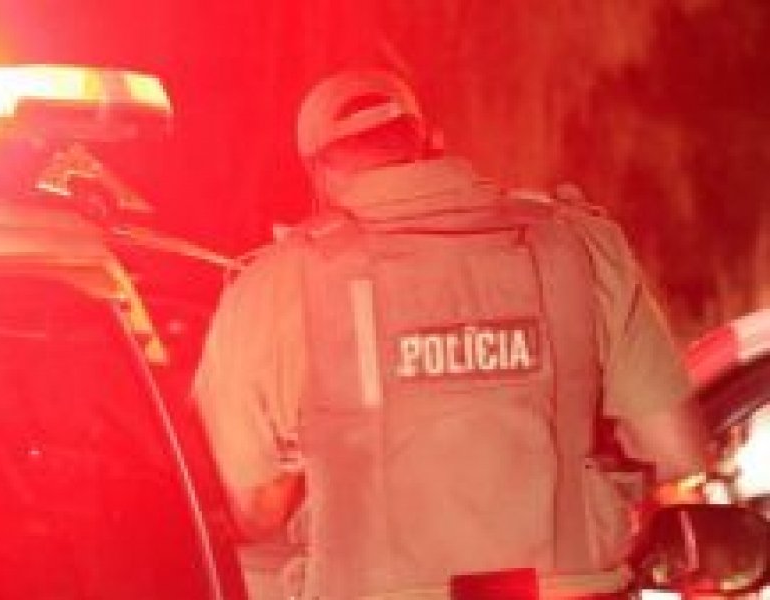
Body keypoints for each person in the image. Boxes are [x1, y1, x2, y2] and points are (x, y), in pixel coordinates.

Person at [193, 69, 709, 599]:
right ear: (432, 141)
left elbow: (255, 512)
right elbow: (676, 454)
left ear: (318, 174)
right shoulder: (580, 246)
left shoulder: (271, 289)